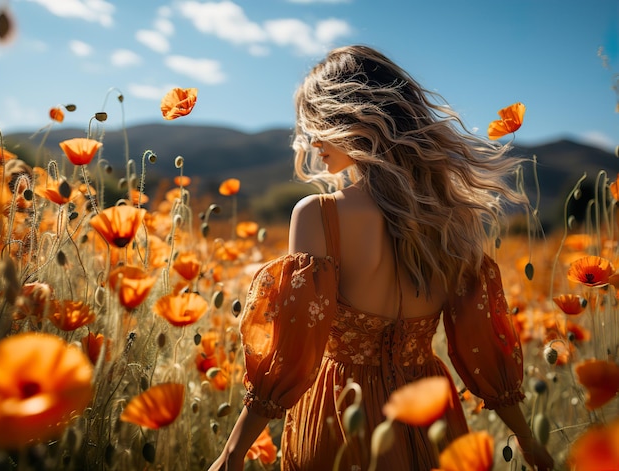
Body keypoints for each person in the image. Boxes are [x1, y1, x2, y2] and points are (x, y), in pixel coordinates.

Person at [209, 45, 554, 470]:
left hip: (341, 416)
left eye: (318, 123)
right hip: (432, 416)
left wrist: (231, 454)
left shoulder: (320, 215)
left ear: (353, 119)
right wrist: (527, 440)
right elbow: (483, 346)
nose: (312, 140)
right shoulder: (452, 222)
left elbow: (291, 354)